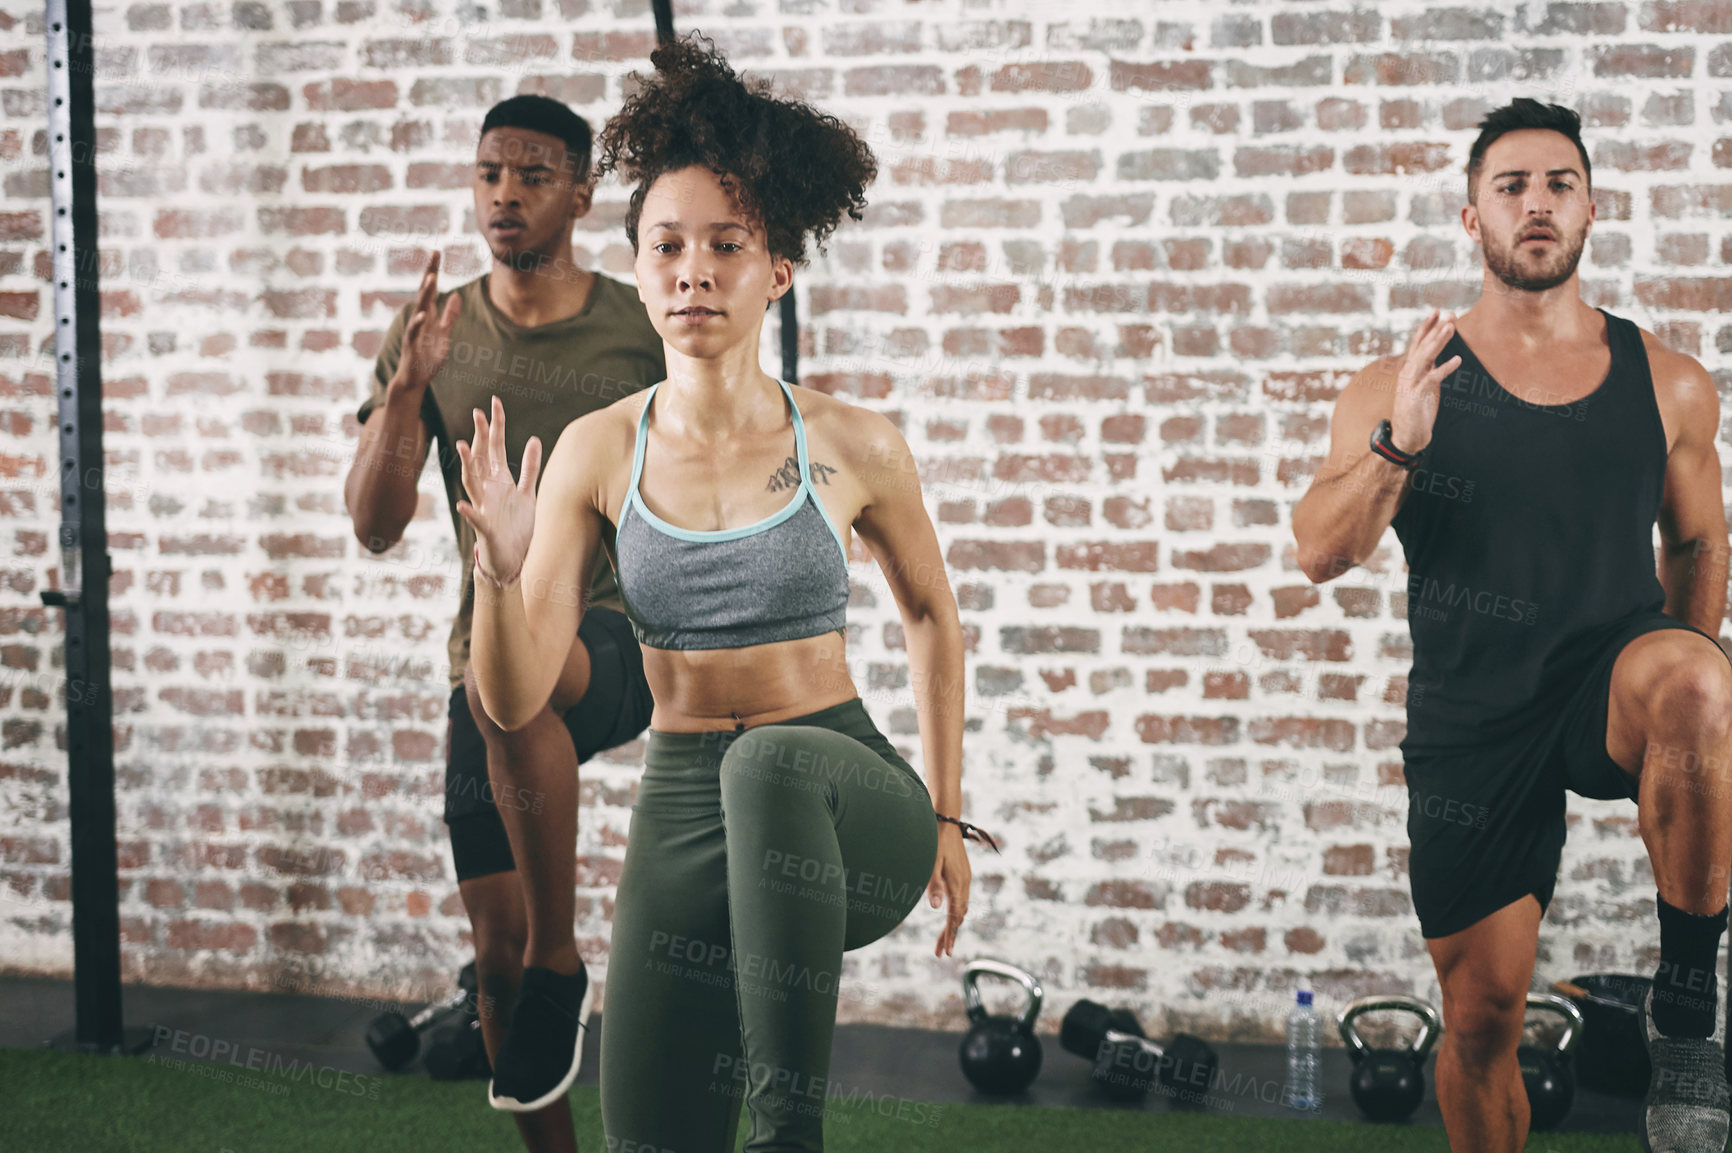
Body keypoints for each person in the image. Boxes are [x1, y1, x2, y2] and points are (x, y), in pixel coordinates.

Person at [458, 33, 991, 1153]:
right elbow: (512, 699)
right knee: (648, 1136)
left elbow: (933, 614)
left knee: (769, 758)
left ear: (776, 270)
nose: (693, 269)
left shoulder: (852, 440)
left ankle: (784, 1132)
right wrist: (500, 568)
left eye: (725, 245)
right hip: (684, 798)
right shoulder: (598, 452)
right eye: (666, 247)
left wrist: (945, 810)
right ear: (638, 269)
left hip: (845, 800)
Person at [1293, 97, 1732, 1153]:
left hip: (1606, 682)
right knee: (1482, 1019)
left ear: (1592, 210)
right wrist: (1399, 444)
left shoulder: (1667, 381)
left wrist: (1684, 706)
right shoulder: (1393, 384)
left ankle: (1685, 1003)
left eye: (1559, 185)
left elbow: (1700, 544)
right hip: (1472, 720)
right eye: (1511, 187)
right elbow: (1319, 549)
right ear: (1469, 218)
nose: (1536, 204)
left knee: (1702, 680)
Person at [343, 94, 664, 1150]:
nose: (504, 196)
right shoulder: (432, 331)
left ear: (580, 192)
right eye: (489, 174)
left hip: (613, 643)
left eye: (531, 176)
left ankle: (563, 961)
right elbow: (376, 526)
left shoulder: (639, 324)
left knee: (509, 682)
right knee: (494, 953)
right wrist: (407, 393)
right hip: (482, 660)